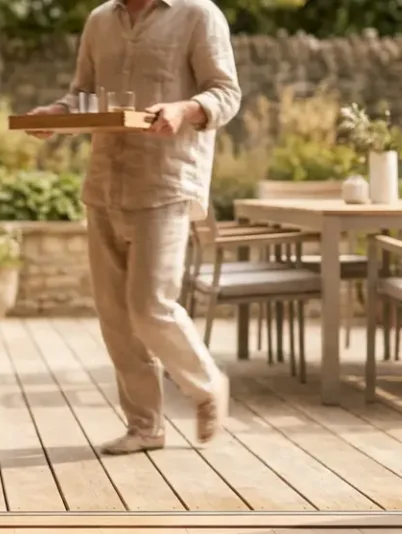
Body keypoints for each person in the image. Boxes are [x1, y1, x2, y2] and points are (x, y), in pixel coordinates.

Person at [27, 0, 241, 453]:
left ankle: (207, 387)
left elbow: (226, 93)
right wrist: (57, 114)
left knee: (150, 307)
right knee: (116, 318)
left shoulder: (198, 15)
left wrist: (186, 109)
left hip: (165, 180)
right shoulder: (99, 21)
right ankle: (145, 427)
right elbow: (82, 93)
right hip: (104, 183)